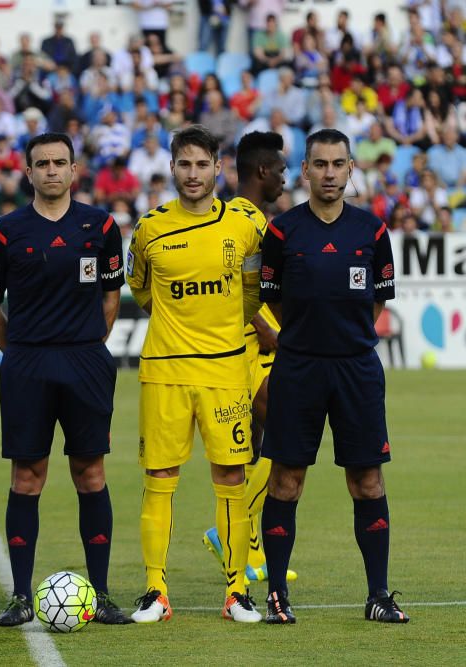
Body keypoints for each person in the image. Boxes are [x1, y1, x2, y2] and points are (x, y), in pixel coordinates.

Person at [0, 132, 130, 627]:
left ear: (73, 168)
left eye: (59, 162)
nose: (51, 171)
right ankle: (21, 597)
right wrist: (21, 351)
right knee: (28, 476)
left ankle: (102, 594)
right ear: (28, 171)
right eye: (41, 163)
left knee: (90, 473)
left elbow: (111, 298)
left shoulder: (100, 226)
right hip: (28, 365)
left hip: (85, 362)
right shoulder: (5, 231)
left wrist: (86, 345)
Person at [258, 129, 408, 625]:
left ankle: (378, 595)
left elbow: (375, 305)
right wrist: (304, 339)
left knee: (367, 479)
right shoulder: (282, 232)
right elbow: (273, 298)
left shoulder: (373, 232)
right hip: (298, 368)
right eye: (319, 164)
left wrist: (341, 341)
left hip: (357, 369)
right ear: (304, 170)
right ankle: (277, 594)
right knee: (287, 478)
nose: (328, 173)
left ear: (350, 170)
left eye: (337, 164)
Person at [125, 124, 265, 624]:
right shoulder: (149, 228)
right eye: (183, 164)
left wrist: (224, 329)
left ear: (217, 168)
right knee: (160, 476)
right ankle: (155, 591)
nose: (192, 173)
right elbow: (141, 290)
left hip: (226, 369)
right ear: (171, 168)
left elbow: (254, 292)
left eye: (201, 164)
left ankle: (236, 593)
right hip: (164, 370)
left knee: (231, 475)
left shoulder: (245, 225)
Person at [200, 131, 298, 585]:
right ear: (262, 171)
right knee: (284, 433)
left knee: (257, 445)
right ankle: (228, 535)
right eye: (280, 169)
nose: (284, 177)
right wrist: (272, 332)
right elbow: (240, 286)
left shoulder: (250, 216)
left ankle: (248, 547)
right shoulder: (245, 219)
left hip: (248, 348)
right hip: (241, 347)